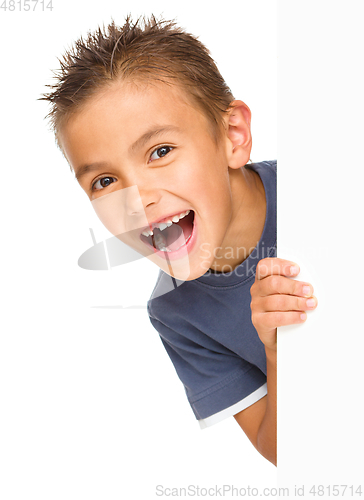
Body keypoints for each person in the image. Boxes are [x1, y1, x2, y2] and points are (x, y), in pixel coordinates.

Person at [41, 15, 317, 466]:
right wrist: (278, 348)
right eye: (106, 180)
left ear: (233, 137)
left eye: (160, 151)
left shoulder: (326, 188)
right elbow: (284, 451)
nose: (138, 199)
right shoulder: (177, 314)